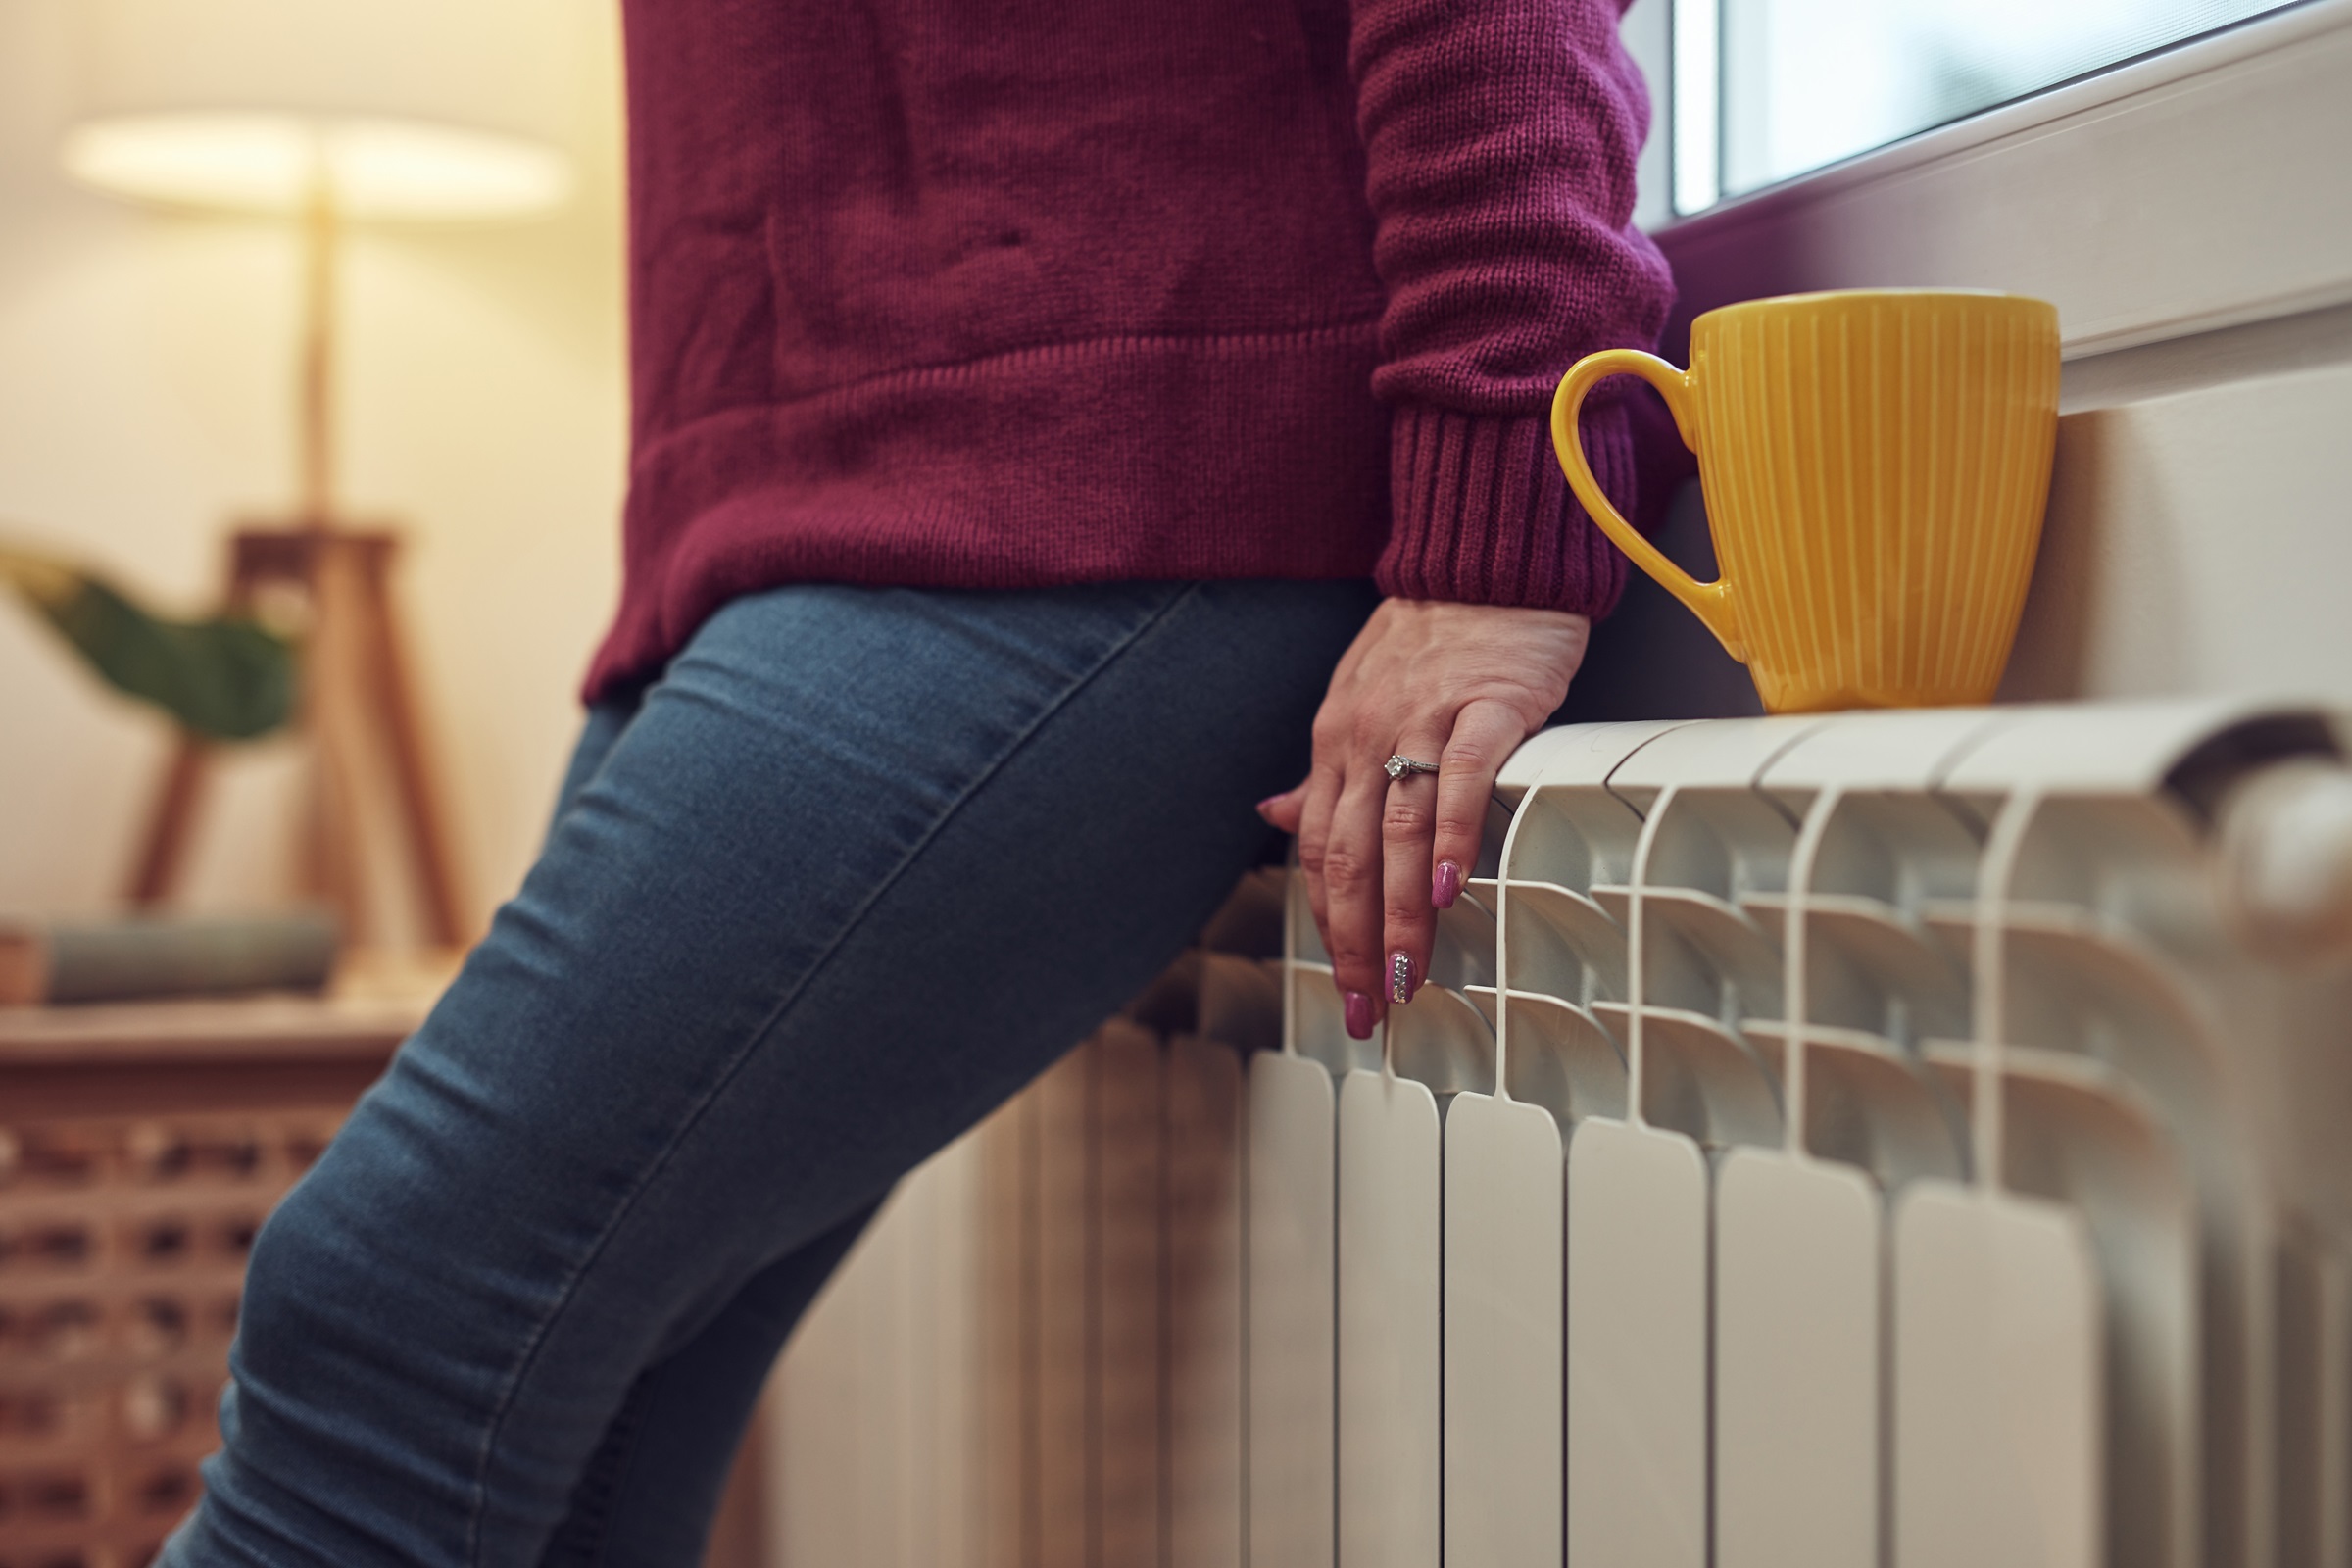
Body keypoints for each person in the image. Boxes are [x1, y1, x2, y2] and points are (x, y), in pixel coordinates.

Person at [160, 0, 1675, 1560]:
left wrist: (1511, 448)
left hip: (1107, 455)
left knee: (382, 1319)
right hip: (790, 507)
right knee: (585, 1444)